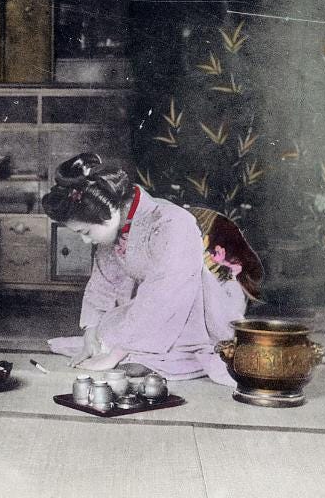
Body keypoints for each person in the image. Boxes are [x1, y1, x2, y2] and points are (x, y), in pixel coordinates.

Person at [42, 152, 260, 386]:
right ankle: (129, 346)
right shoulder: (119, 222)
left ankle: (142, 352)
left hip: (192, 307)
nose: (86, 242)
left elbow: (164, 298)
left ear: (108, 212)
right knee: (103, 334)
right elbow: (103, 282)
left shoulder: (171, 223)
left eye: (85, 233)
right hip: (154, 304)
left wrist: (115, 355)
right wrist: (90, 333)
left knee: (139, 352)